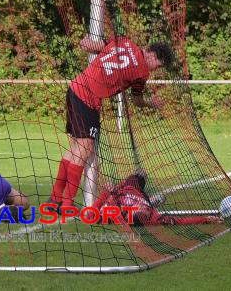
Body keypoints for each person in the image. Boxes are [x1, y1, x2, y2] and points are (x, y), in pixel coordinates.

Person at [48, 35, 176, 212]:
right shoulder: (142, 73)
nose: (155, 70)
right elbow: (137, 101)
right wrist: (151, 103)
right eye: (158, 66)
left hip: (76, 88)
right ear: (153, 56)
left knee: (75, 147)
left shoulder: (125, 42)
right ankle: (67, 204)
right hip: (87, 99)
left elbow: (94, 45)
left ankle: (55, 199)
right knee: (84, 149)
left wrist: (87, 44)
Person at [89, 169, 223, 225]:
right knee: (142, 175)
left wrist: (107, 191)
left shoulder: (116, 213)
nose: (142, 209)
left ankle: (153, 198)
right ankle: (154, 199)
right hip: (140, 192)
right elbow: (179, 221)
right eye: (142, 210)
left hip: (128, 187)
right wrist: (205, 218)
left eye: (139, 210)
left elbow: (91, 215)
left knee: (137, 175)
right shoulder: (151, 215)